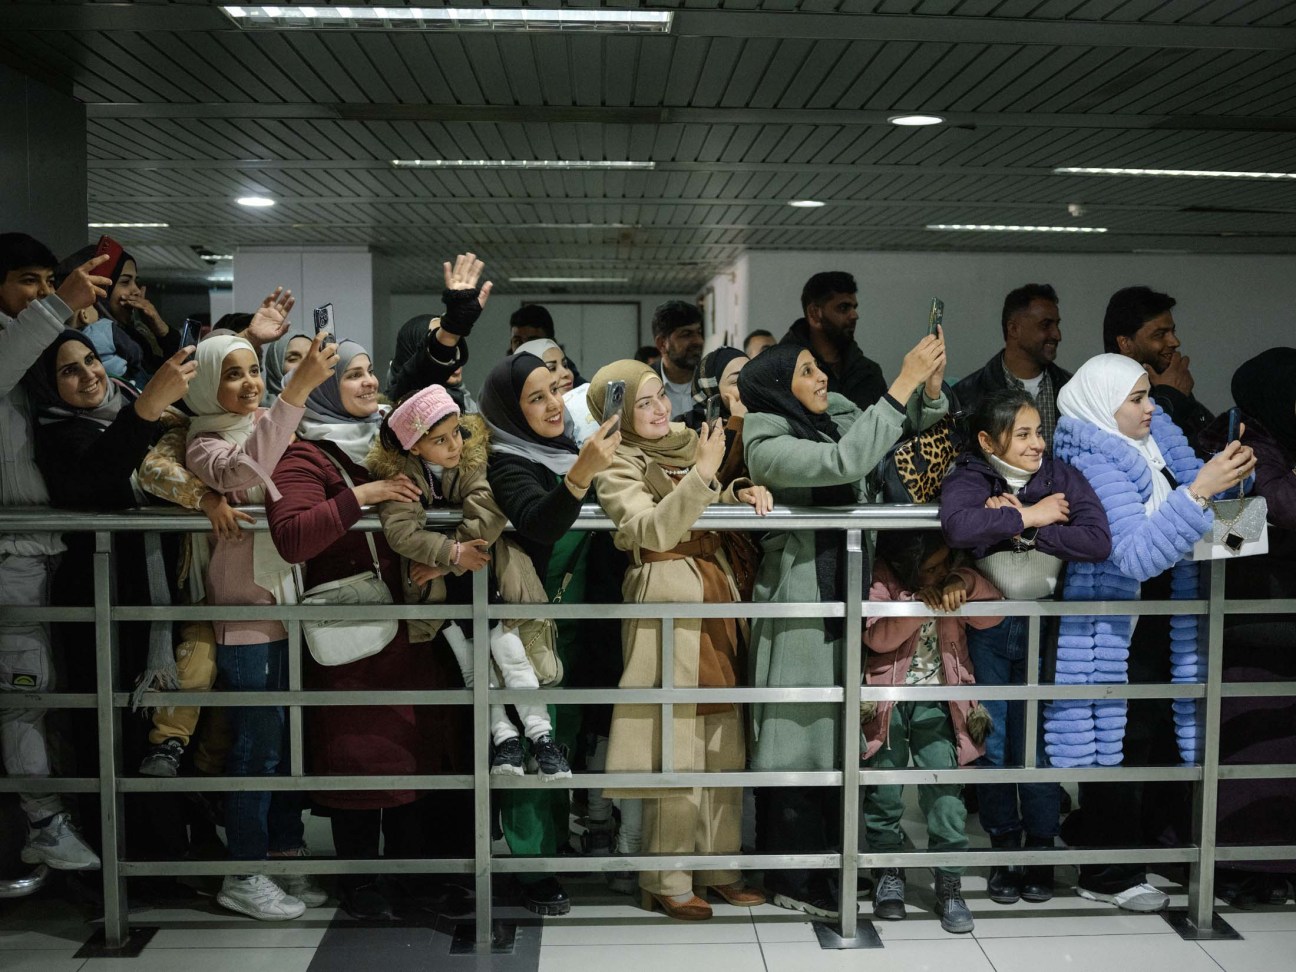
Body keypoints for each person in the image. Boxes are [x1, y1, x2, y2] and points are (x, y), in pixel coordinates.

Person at [739, 331, 948, 918]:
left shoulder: (829, 414)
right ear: (778, 386)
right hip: (800, 598)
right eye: (805, 372)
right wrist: (902, 381)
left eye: (817, 367)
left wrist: (927, 392)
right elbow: (843, 462)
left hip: (843, 593)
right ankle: (794, 876)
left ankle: (832, 864)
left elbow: (891, 429)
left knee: (833, 733)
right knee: (795, 734)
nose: (820, 378)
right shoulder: (765, 438)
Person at [269, 337, 474, 921]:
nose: (367, 384)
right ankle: (360, 883)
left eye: (367, 372)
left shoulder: (395, 441)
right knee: (358, 757)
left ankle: (412, 877)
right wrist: (364, 494)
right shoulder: (303, 453)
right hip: (353, 632)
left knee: (413, 752)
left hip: (412, 629)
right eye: (352, 376)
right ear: (326, 390)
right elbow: (293, 537)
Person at [1049, 353, 1254, 912]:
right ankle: (1108, 872)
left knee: (1163, 731)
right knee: (1119, 740)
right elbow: (1135, 554)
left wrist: (1236, 477)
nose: (1150, 406)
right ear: (1103, 403)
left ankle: (1157, 849)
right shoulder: (1090, 456)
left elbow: (1211, 520)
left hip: (1169, 612)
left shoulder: (1160, 437)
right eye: (1137, 398)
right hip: (1117, 622)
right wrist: (1199, 493)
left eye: (1148, 395)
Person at [588, 360, 771, 921]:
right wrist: (706, 476)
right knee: (677, 738)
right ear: (618, 413)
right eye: (642, 403)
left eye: (660, 396)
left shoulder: (691, 444)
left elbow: (709, 494)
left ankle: (719, 868)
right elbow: (650, 529)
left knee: (722, 735)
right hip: (666, 592)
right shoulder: (613, 462)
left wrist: (739, 489)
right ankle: (666, 877)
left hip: (713, 591)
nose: (659, 408)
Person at [184, 329, 338, 921]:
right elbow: (244, 475)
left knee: (284, 744)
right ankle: (243, 871)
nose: (250, 383)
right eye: (233, 374)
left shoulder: (262, 425)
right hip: (246, 616)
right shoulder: (204, 440)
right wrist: (293, 394)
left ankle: (280, 849)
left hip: (286, 607)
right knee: (255, 749)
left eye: (254, 371)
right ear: (205, 384)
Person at [940, 388, 1111, 904]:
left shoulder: (1060, 477)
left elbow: (1098, 539)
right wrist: (1032, 516)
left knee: (1035, 746)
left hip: (1044, 628)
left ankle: (1038, 851)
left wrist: (1025, 532)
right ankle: (1003, 852)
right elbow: (958, 525)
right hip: (989, 626)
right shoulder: (972, 475)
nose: (1037, 443)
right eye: (1023, 434)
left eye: (1040, 432)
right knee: (992, 744)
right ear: (989, 441)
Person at [365, 384, 571, 779]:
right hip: (441, 593)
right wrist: (452, 556)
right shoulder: (399, 476)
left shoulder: (473, 458)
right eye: (440, 440)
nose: (454, 445)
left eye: (456, 432)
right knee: (473, 665)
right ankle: (504, 739)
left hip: (484, 574)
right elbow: (401, 533)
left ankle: (542, 738)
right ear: (414, 447)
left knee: (509, 650)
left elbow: (487, 511)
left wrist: (450, 558)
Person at [479, 350, 622, 916]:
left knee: (561, 737)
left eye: (552, 394)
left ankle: (554, 845)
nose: (550, 407)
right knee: (530, 735)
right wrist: (582, 471)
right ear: (510, 411)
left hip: (578, 617)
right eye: (533, 399)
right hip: (530, 625)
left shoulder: (565, 447)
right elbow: (539, 519)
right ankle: (530, 869)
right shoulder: (507, 459)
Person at [0, 234, 111, 872]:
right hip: (12, 553)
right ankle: (42, 820)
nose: (41, 294)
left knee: (47, 691)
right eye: (27, 281)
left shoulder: (33, 342)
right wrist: (57, 307)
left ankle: (51, 816)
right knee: (23, 689)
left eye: (48, 281)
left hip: (47, 548)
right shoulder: (19, 341)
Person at [862, 531, 1000, 934]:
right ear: (909, 568)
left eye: (944, 563)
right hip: (887, 701)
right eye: (931, 568)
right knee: (884, 792)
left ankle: (950, 881)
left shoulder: (953, 579)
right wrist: (918, 607)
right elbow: (876, 636)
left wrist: (965, 583)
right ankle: (889, 873)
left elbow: (994, 614)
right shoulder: (885, 581)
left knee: (945, 794)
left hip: (942, 703)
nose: (939, 573)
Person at [1197, 348, 1296, 904]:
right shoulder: (1236, 439)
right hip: (1247, 623)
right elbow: (1261, 515)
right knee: (1249, 750)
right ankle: (1241, 866)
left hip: (1277, 620)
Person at [952, 284, 1071, 449]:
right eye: (1045, 325)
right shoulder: (966, 397)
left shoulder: (1072, 390)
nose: (1057, 335)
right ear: (1014, 329)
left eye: (1057, 325)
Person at [1103, 286, 1214, 441]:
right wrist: (1171, 397)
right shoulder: (1104, 393)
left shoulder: (1167, 380)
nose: (1175, 342)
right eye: (1160, 335)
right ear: (1126, 343)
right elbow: (1143, 450)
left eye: (1172, 332)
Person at [386, 253, 492, 401]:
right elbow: (413, 385)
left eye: (454, 350)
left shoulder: (469, 407)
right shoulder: (398, 408)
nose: (454, 365)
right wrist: (450, 332)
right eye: (446, 351)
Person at [779, 271, 887, 411]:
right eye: (843, 307)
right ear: (814, 314)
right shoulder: (784, 370)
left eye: (854, 307)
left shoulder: (869, 372)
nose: (854, 315)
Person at [650, 300, 705, 420]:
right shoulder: (643, 385)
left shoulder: (711, 379)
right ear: (662, 344)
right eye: (686, 334)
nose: (699, 341)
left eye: (699, 333)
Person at [507, 304, 584, 383]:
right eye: (518, 342)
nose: (524, 350)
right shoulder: (505, 384)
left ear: (551, 343)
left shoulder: (577, 389)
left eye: (533, 342)